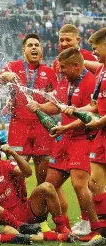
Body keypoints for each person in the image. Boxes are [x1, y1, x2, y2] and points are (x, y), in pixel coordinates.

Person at [28, 47, 101, 242]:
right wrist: (40, 107)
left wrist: (65, 128)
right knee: (49, 185)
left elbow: (91, 115)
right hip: (64, 139)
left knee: (79, 184)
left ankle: (97, 229)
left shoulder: (91, 82)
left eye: (63, 68)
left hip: (81, 139)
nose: (60, 71)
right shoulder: (65, 81)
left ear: (76, 66)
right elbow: (58, 105)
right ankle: (63, 226)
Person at [0, 33, 57, 186]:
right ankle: (17, 208)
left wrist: (42, 107)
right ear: (23, 49)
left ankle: (40, 209)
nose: (34, 47)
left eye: (37, 45)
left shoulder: (50, 72)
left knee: (43, 181)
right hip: (19, 125)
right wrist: (4, 76)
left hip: (42, 127)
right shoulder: (13, 67)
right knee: (15, 176)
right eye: (30, 45)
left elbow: (58, 104)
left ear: (42, 50)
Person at [68, 28, 106, 244]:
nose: (93, 52)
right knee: (94, 184)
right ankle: (101, 232)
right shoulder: (101, 71)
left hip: (102, 127)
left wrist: (100, 120)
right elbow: (93, 106)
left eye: (96, 48)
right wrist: (75, 110)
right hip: (101, 133)